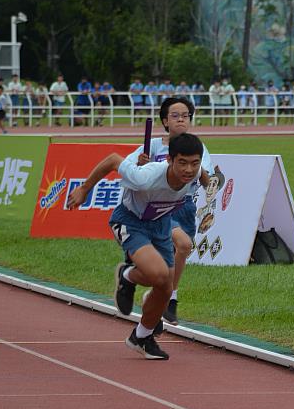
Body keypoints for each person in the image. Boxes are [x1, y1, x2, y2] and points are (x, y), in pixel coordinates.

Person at [66, 133, 205, 360]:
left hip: (161, 224)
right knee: (159, 275)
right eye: (182, 163)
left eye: (194, 163)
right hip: (130, 221)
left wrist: (210, 183)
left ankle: (141, 336)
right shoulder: (146, 177)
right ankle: (128, 275)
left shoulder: (196, 173)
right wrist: (84, 189)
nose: (189, 170)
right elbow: (112, 159)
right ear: (169, 160)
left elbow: (202, 176)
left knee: (165, 288)